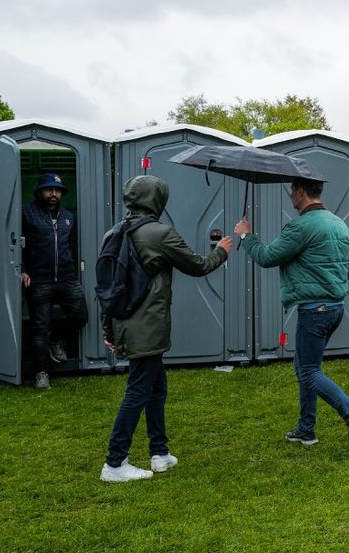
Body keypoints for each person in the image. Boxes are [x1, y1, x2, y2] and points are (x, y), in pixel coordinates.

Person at [100, 175, 232, 483]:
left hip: (125, 323)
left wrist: (109, 329)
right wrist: (222, 251)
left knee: (156, 387)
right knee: (138, 391)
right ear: (157, 200)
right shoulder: (159, 234)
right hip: (148, 327)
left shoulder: (114, 233)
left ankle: (159, 453)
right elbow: (197, 265)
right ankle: (114, 463)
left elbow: (107, 288)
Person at [234, 178, 349, 452]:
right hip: (335, 306)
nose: (290, 197)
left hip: (315, 310)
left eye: (291, 192)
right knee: (304, 367)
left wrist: (245, 235)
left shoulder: (301, 226)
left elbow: (267, 256)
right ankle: (305, 429)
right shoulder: (338, 223)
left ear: (301, 192)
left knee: (308, 371)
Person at [21, 172, 89, 390]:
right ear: (39, 192)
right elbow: (15, 243)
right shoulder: (26, 213)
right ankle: (41, 374)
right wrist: (22, 270)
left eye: (57, 190)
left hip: (67, 278)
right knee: (39, 327)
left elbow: (73, 246)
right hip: (39, 280)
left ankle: (55, 337)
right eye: (49, 190)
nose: (53, 194)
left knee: (80, 316)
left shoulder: (68, 217)